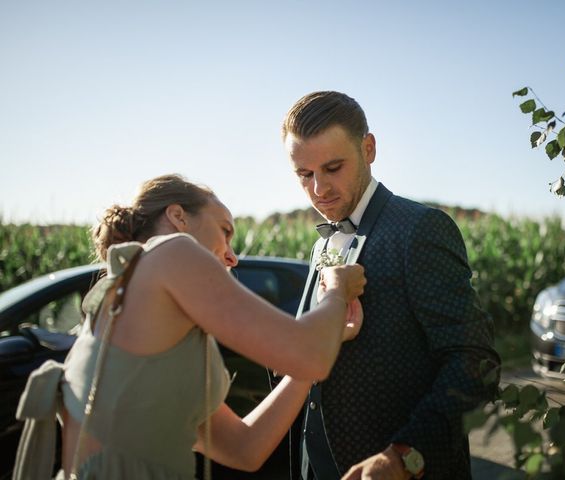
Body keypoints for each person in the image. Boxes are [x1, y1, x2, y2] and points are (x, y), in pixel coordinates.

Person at [12, 174, 365, 480]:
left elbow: (245, 448)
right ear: (178, 216)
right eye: (224, 231)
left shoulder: (129, 311)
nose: (232, 255)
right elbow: (307, 353)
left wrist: (325, 343)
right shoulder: (171, 252)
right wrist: (336, 288)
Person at [280, 91, 501, 480]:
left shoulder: (420, 229)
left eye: (333, 167)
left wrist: (403, 457)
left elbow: (474, 361)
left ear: (369, 148)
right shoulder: (319, 246)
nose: (319, 189)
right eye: (305, 174)